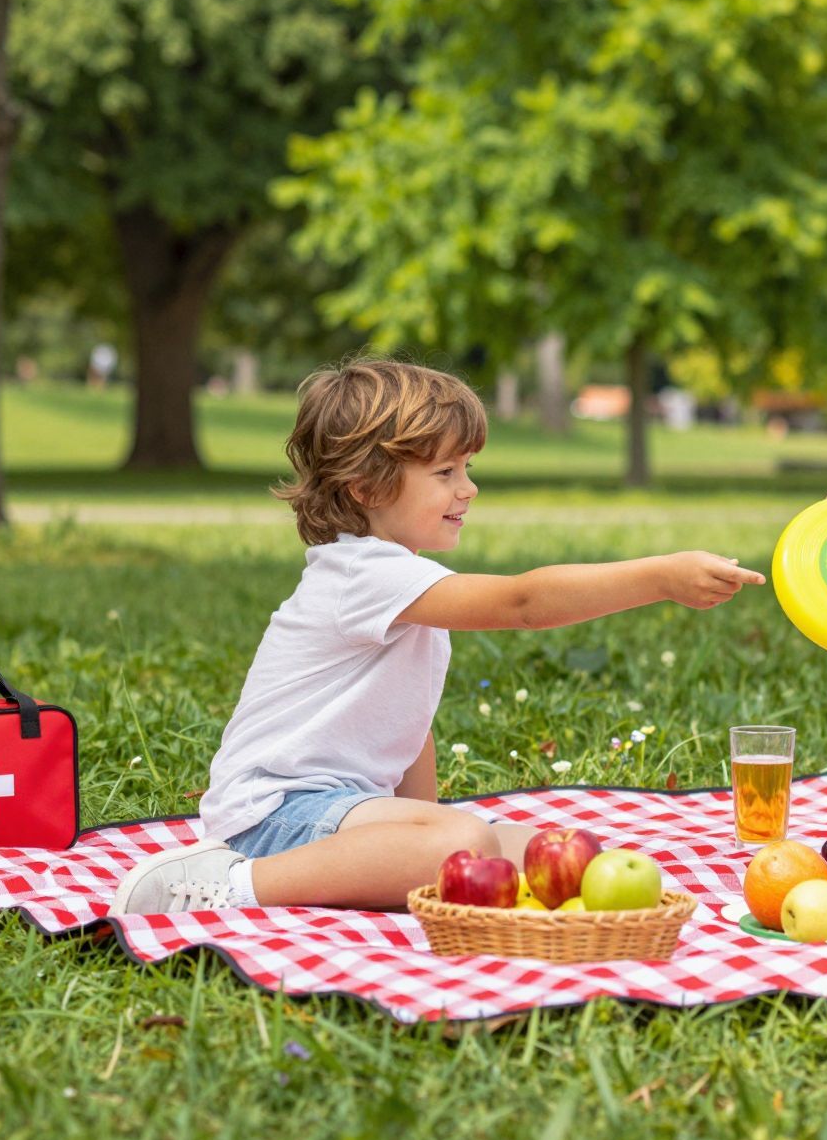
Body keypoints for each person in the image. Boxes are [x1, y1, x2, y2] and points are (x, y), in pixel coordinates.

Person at [110, 358, 765, 915]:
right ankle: (225, 887)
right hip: (275, 814)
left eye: (468, 468)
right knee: (463, 848)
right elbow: (526, 603)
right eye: (446, 472)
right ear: (366, 485)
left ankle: (388, 855)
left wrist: (431, 817)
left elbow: (405, 720)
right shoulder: (361, 574)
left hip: (342, 810)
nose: (468, 489)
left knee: (561, 857)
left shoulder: (407, 581)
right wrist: (660, 576)